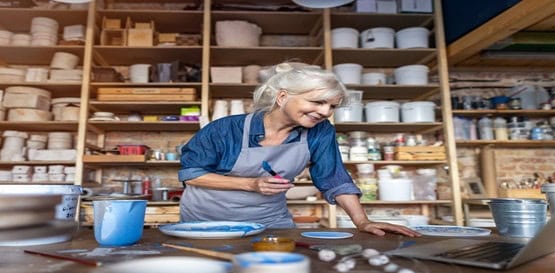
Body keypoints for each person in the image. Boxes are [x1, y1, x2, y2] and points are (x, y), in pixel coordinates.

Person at [178, 62, 419, 237]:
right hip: (207, 222)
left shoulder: (320, 131)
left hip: (269, 222)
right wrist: (251, 184)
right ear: (282, 97)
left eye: (332, 106)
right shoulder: (225, 129)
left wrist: (362, 221)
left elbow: (334, 178)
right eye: (317, 102)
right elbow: (192, 174)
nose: (325, 112)